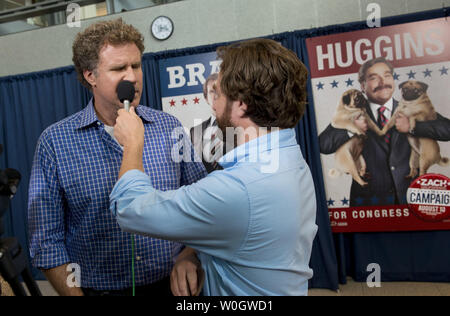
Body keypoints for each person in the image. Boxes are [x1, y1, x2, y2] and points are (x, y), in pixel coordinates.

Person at [110, 38, 318, 296]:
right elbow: (230, 228)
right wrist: (191, 254)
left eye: (218, 93)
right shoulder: (288, 155)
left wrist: (132, 144)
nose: (213, 103)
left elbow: (129, 209)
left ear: (242, 104)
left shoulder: (239, 188)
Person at [27, 18, 206, 296]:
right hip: (98, 290)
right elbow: (46, 240)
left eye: (136, 65)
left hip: (169, 286)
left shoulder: (169, 127)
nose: (132, 77)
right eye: (119, 68)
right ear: (90, 76)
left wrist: (189, 256)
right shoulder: (55, 142)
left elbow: (203, 207)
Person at [319, 57, 450, 206]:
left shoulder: (410, 107)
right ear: (362, 85)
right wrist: (351, 130)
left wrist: (413, 127)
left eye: (387, 76)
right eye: (374, 78)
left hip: (412, 201)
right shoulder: (351, 112)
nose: (383, 82)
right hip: (368, 206)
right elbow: (323, 145)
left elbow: (447, 129)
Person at [190, 72, 224, 173]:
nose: (216, 95)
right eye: (212, 91)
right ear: (206, 98)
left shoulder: (240, 126)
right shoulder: (194, 132)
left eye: (220, 91)